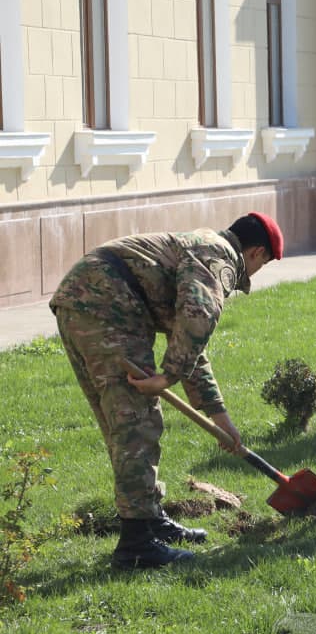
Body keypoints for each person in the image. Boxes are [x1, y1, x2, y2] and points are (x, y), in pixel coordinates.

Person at [49, 212, 284, 569]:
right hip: (110, 306)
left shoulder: (201, 245)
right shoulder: (219, 255)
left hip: (83, 301)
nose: (254, 272)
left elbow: (190, 344)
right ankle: (137, 545)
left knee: (122, 424)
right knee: (136, 424)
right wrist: (167, 377)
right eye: (262, 264)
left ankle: (150, 519)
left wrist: (219, 416)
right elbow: (198, 315)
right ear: (256, 252)